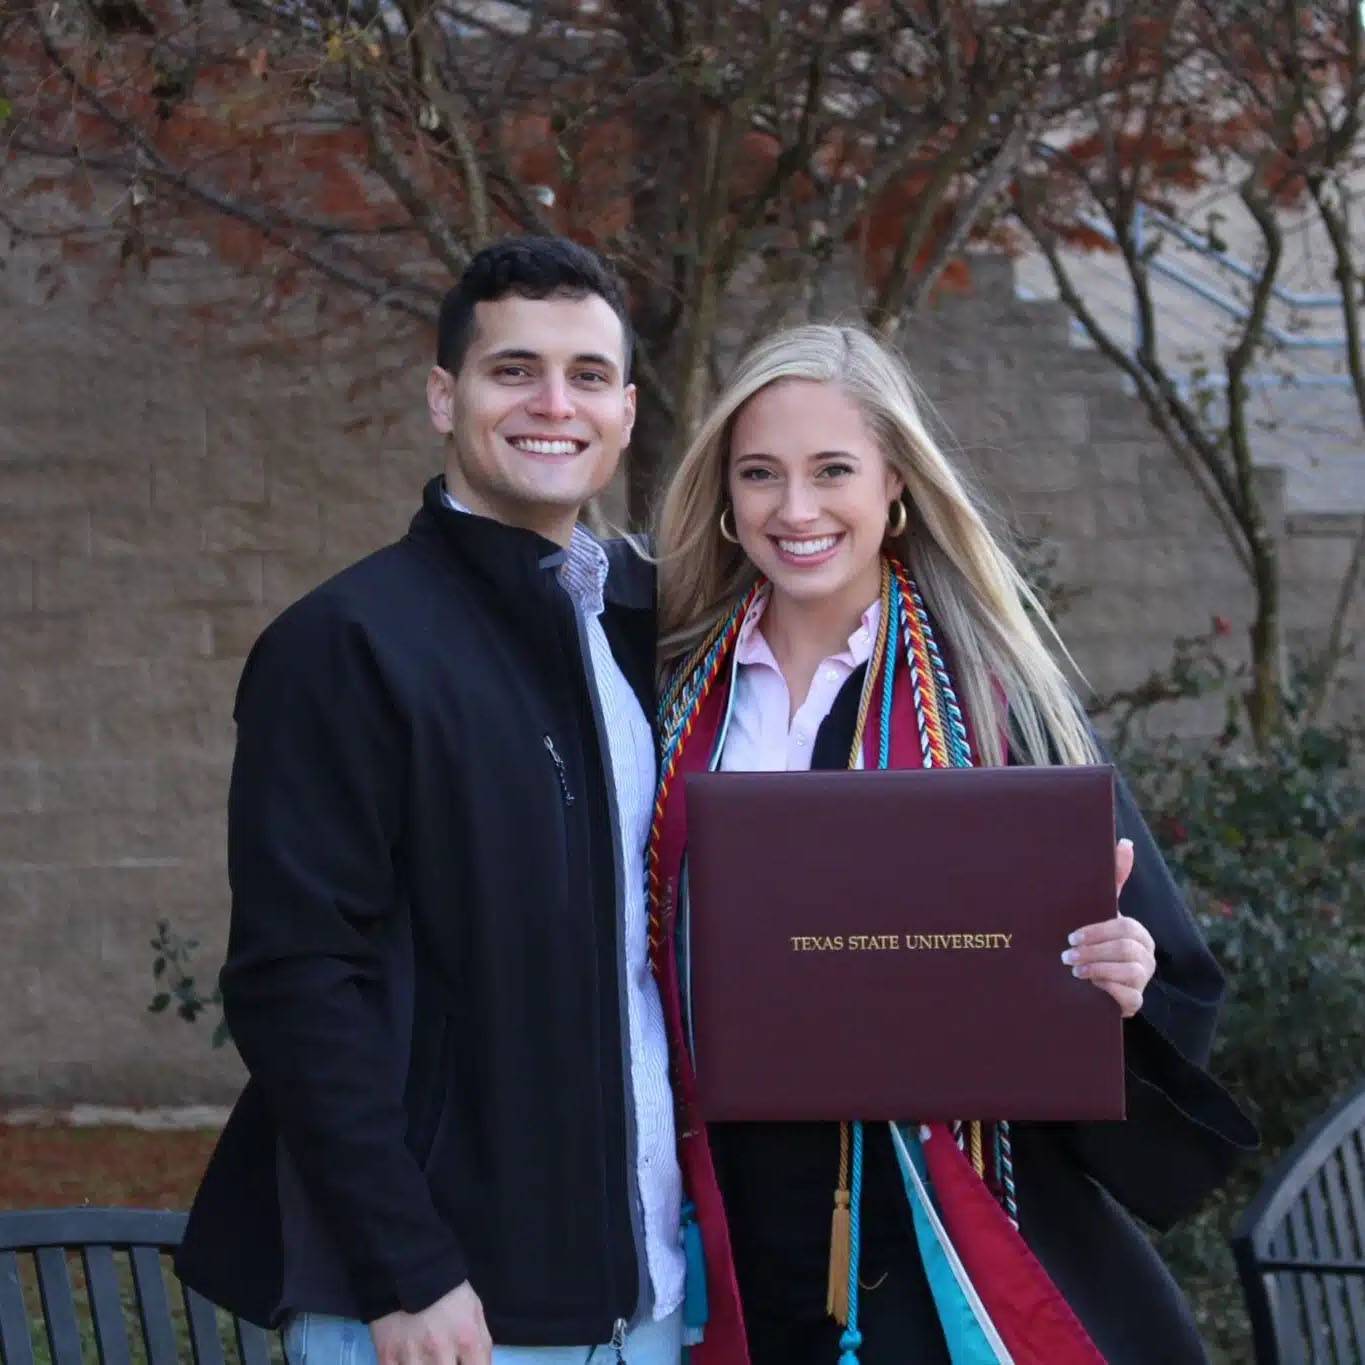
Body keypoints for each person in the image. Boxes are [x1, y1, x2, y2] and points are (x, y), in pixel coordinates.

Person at [647, 324, 1257, 1364]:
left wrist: (1122, 979)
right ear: (724, 493)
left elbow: (1159, 980)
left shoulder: (991, 702)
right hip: (718, 1216)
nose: (795, 510)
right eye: (761, 475)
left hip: (932, 1238)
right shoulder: (660, 691)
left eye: (832, 470)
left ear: (895, 486)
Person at [175, 236, 686, 1365]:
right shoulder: (347, 646)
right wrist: (405, 1267)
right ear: (444, 397)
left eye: (588, 376)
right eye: (514, 370)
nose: (554, 403)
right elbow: (294, 979)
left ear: (628, 411)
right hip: (443, 1310)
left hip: (654, 1294)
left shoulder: (649, 629)